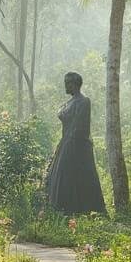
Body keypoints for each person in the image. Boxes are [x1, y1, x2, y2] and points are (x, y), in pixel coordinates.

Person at [45, 71, 106, 215]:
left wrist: (70, 144)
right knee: (61, 175)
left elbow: (80, 126)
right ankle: (63, 210)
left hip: (78, 145)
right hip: (66, 141)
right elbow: (61, 114)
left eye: (68, 83)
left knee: (78, 176)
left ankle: (79, 210)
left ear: (75, 84)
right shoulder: (68, 102)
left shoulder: (84, 101)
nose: (66, 86)